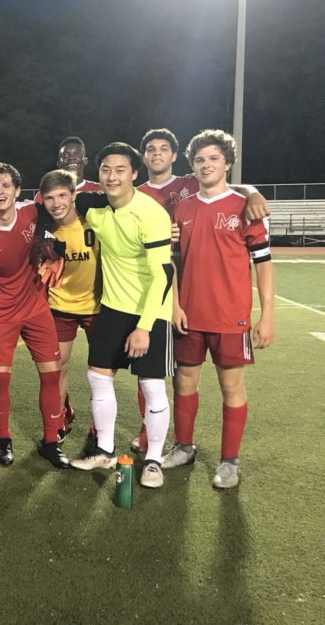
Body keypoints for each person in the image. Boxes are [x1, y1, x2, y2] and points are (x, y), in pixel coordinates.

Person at [162, 129, 274, 489]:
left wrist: (267, 314)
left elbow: (263, 264)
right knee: (184, 382)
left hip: (231, 317)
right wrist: (176, 304)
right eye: (199, 159)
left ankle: (229, 461)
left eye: (213, 158)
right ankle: (183, 446)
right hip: (189, 316)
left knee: (232, 388)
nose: (206, 164)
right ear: (192, 165)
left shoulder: (245, 207)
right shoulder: (182, 208)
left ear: (227, 163)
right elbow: (174, 262)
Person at [67, 143, 174, 489]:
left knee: (152, 386)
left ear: (134, 174)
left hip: (151, 309)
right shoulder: (94, 205)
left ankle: (155, 460)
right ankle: (105, 450)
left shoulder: (151, 213)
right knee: (98, 378)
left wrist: (144, 327)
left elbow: (164, 275)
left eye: (120, 170)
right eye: (106, 170)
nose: (112, 176)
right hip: (113, 306)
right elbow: (63, 202)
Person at [0, 163, 68, 469]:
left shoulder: (32, 213)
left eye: (6, 185)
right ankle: (3, 439)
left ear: (18, 190)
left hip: (35, 307)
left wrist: (55, 253)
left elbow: (66, 209)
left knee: (50, 374)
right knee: (1, 381)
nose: (0, 192)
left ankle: (51, 441)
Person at [39, 169, 101, 442]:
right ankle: (62, 415)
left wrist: (249, 192)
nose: (57, 203)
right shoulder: (43, 227)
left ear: (74, 194)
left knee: (100, 372)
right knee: (58, 366)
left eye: (63, 195)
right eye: (50, 198)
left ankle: (100, 424)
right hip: (60, 305)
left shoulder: (96, 219)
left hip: (98, 305)